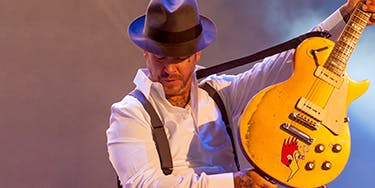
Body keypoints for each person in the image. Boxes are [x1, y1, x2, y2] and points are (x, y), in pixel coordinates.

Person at [106, 0, 375, 187]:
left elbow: (287, 60)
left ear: (197, 54)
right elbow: (144, 184)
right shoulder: (129, 113)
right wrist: (234, 183)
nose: (169, 69)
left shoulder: (218, 93)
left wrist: (345, 15)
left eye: (180, 58)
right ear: (145, 53)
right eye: (160, 58)